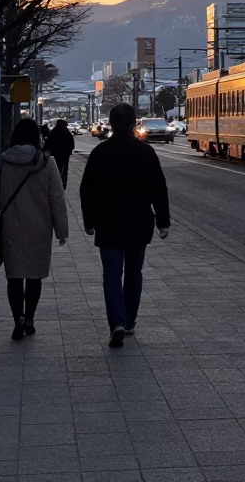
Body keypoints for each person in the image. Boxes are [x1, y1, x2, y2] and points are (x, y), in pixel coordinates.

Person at [80, 102, 170, 348]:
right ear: (133, 124)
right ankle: (130, 321)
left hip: (108, 222)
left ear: (111, 123)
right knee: (133, 273)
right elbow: (158, 187)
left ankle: (116, 322)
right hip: (139, 222)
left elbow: (87, 189)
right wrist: (163, 220)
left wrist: (89, 220)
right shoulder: (145, 152)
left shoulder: (100, 153)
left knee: (111, 273)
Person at [0, 118, 69, 341]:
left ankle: (17, 319)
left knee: (14, 276)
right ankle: (30, 318)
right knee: (34, 276)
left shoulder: (3, 161)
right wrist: (62, 231)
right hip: (40, 229)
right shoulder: (46, 163)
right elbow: (57, 199)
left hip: (11, 227)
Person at [45, 120, 76, 189]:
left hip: (57, 153)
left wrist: (48, 150)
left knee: (57, 167)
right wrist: (70, 150)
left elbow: (49, 142)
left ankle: (57, 182)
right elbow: (71, 143)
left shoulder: (54, 132)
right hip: (65, 153)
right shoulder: (67, 132)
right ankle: (63, 182)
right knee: (65, 168)